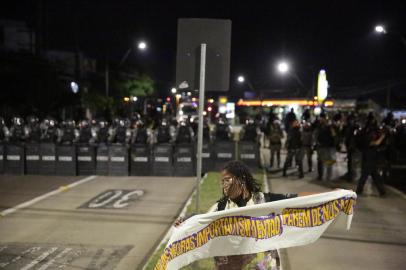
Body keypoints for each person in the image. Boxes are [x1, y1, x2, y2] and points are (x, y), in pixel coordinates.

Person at [175, 160, 323, 270]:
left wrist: (330, 194)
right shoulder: (221, 206)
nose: (224, 185)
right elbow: (201, 222)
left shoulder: (263, 201)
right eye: (222, 182)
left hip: (262, 266)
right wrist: (185, 222)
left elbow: (300, 199)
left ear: (242, 179)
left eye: (227, 180)